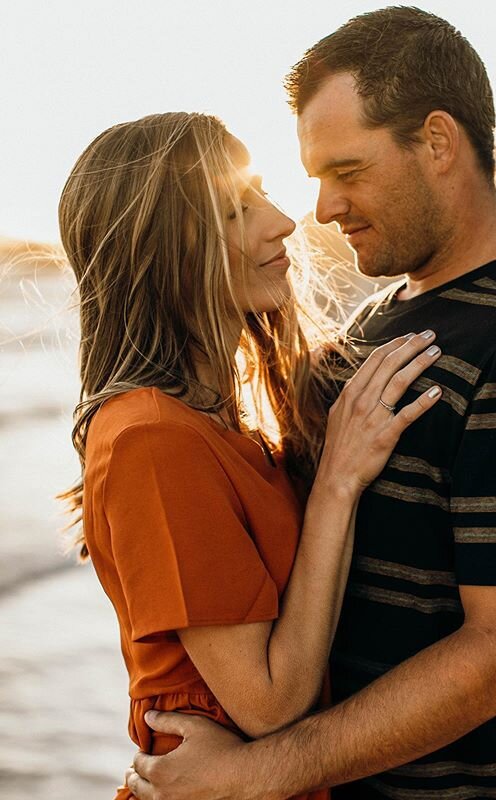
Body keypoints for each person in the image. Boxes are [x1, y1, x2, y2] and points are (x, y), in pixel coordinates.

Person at [125, 7, 496, 800]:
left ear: (437, 142)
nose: (322, 208)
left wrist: (258, 773)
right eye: (315, 176)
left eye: (347, 172)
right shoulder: (381, 315)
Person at [58, 110, 444, 800]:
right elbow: (268, 703)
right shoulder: (152, 439)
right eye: (237, 209)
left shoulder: (226, 423)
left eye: (261, 194)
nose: (282, 223)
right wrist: (338, 482)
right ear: (165, 253)